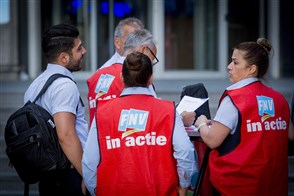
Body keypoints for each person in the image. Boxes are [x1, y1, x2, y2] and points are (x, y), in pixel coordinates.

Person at [82, 51, 197, 196]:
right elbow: (185, 151)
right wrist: (184, 186)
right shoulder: (168, 110)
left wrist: (95, 190)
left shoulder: (103, 111)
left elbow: (89, 161)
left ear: (122, 77)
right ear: (151, 79)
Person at [195, 38, 290, 195]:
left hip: (236, 185)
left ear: (251, 69)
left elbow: (212, 140)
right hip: (272, 184)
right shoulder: (278, 98)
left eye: (235, 62)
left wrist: (201, 123)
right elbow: (289, 135)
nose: (229, 67)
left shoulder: (234, 98)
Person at [24, 23, 88, 195]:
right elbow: (66, 135)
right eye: (79, 48)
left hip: (50, 175)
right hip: (69, 175)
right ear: (64, 58)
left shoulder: (36, 84)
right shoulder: (64, 86)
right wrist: (88, 176)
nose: (84, 52)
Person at [87, 28, 196, 126]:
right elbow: (148, 118)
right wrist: (180, 118)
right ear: (144, 49)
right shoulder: (138, 75)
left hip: (102, 141)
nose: (151, 64)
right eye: (152, 59)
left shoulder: (97, 76)